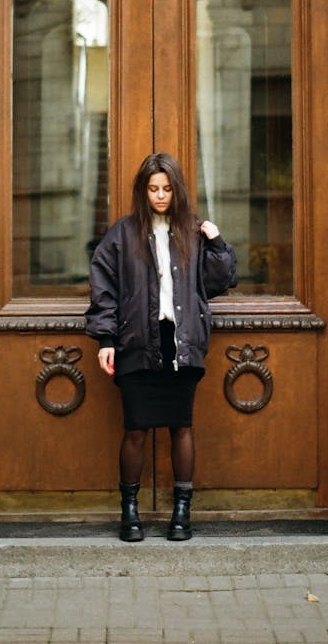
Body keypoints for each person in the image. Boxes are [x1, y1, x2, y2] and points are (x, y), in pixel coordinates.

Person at [85, 152, 237, 542]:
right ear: (142, 191)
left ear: (177, 189)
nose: (160, 196)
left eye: (167, 188)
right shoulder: (122, 235)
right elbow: (104, 290)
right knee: (135, 429)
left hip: (181, 344)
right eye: (153, 189)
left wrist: (216, 240)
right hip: (136, 343)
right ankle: (130, 514)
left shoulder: (192, 231)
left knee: (181, 426)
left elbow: (220, 280)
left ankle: (182, 514)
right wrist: (106, 339)